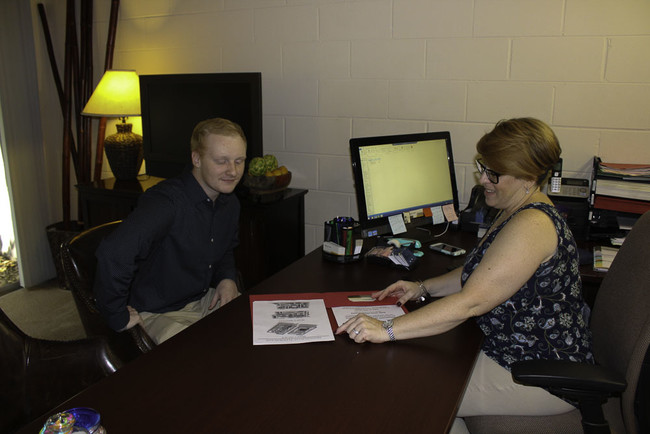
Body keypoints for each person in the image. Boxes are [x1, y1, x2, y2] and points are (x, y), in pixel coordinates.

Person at [336, 118, 594, 431]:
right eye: (483, 166)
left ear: (527, 174)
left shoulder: (532, 226)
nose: (483, 178)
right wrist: (421, 287)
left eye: (494, 173)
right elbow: (478, 272)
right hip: (506, 348)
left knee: (403, 389)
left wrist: (386, 328)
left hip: (536, 371)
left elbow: (470, 302)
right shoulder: (515, 208)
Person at [94, 117, 246, 344]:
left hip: (202, 299)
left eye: (239, 160)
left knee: (260, 331)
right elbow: (113, 252)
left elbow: (224, 249)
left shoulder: (229, 202)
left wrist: (226, 278)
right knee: (199, 368)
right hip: (158, 312)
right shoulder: (165, 203)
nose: (232, 171)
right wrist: (117, 316)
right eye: (221, 161)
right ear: (196, 158)